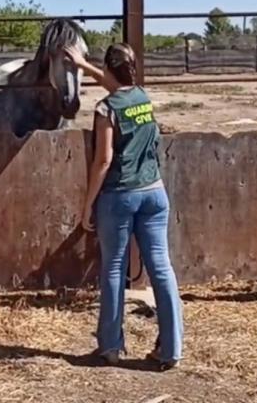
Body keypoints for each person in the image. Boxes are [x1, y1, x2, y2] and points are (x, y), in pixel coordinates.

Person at [66, 42, 183, 370]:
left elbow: (103, 161)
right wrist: (84, 65)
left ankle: (110, 347)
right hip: (155, 194)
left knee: (113, 268)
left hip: (120, 196)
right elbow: (114, 83)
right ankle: (171, 349)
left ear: (110, 69)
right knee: (162, 268)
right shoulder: (143, 98)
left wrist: (87, 204)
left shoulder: (106, 110)